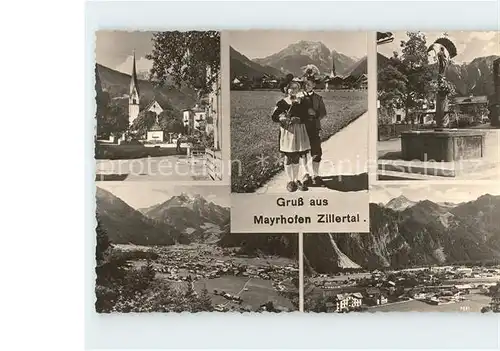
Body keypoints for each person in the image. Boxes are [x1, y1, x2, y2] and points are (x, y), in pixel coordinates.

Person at [271, 81, 311, 192]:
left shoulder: (301, 102)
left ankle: (296, 179)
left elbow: (307, 116)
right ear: (286, 89)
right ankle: (289, 180)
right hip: (287, 132)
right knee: (289, 156)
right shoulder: (282, 103)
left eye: (296, 88)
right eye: (291, 88)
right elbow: (274, 116)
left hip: (298, 130)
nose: (293, 90)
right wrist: (281, 118)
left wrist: (299, 119)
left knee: (296, 155)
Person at [301, 77, 327, 186]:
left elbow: (323, 112)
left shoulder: (318, 98)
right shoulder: (299, 97)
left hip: (314, 127)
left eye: (309, 84)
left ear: (313, 85)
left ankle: (316, 175)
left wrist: (315, 114)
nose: (307, 86)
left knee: (316, 152)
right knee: (303, 152)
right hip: (302, 128)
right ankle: (306, 174)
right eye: (305, 84)